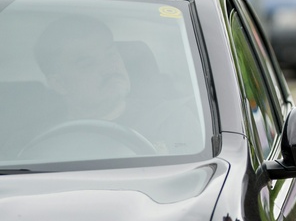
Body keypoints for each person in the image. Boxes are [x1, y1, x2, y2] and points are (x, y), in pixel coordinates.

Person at [32, 15, 201, 155]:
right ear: (59, 83)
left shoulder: (173, 120)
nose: (109, 67)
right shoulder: (43, 145)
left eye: (111, 54)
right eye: (87, 63)